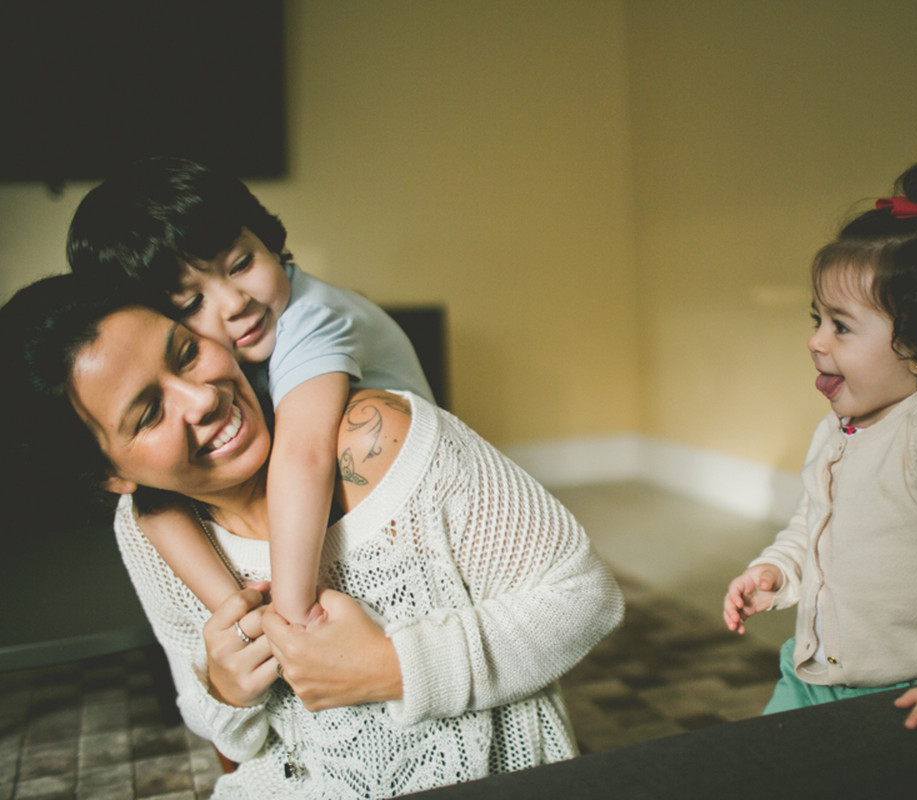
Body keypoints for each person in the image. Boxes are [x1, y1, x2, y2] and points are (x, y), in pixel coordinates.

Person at [0, 274, 624, 797]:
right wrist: (224, 689)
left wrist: (392, 668)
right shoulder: (149, 533)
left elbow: (584, 596)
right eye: (149, 413)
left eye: (186, 352)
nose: (202, 398)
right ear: (112, 475)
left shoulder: (380, 437)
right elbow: (232, 740)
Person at [722, 163, 917, 741]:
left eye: (841, 326)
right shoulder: (838, 428)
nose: (816, 340)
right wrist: (777, 570)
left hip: (909, 689)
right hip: (809, 673)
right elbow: (813, 521)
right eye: (818, 320)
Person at [67, 157, 435, 625]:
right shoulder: (224, 353)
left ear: (268, 239)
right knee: (151, 499)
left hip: (407, 499)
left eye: (241, 264)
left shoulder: (310, 321)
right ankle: (238, 619)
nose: (236, 302)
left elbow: (303, 456)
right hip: (334, 495)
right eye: (193, 302)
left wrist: (292, 613)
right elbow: (154, 507)